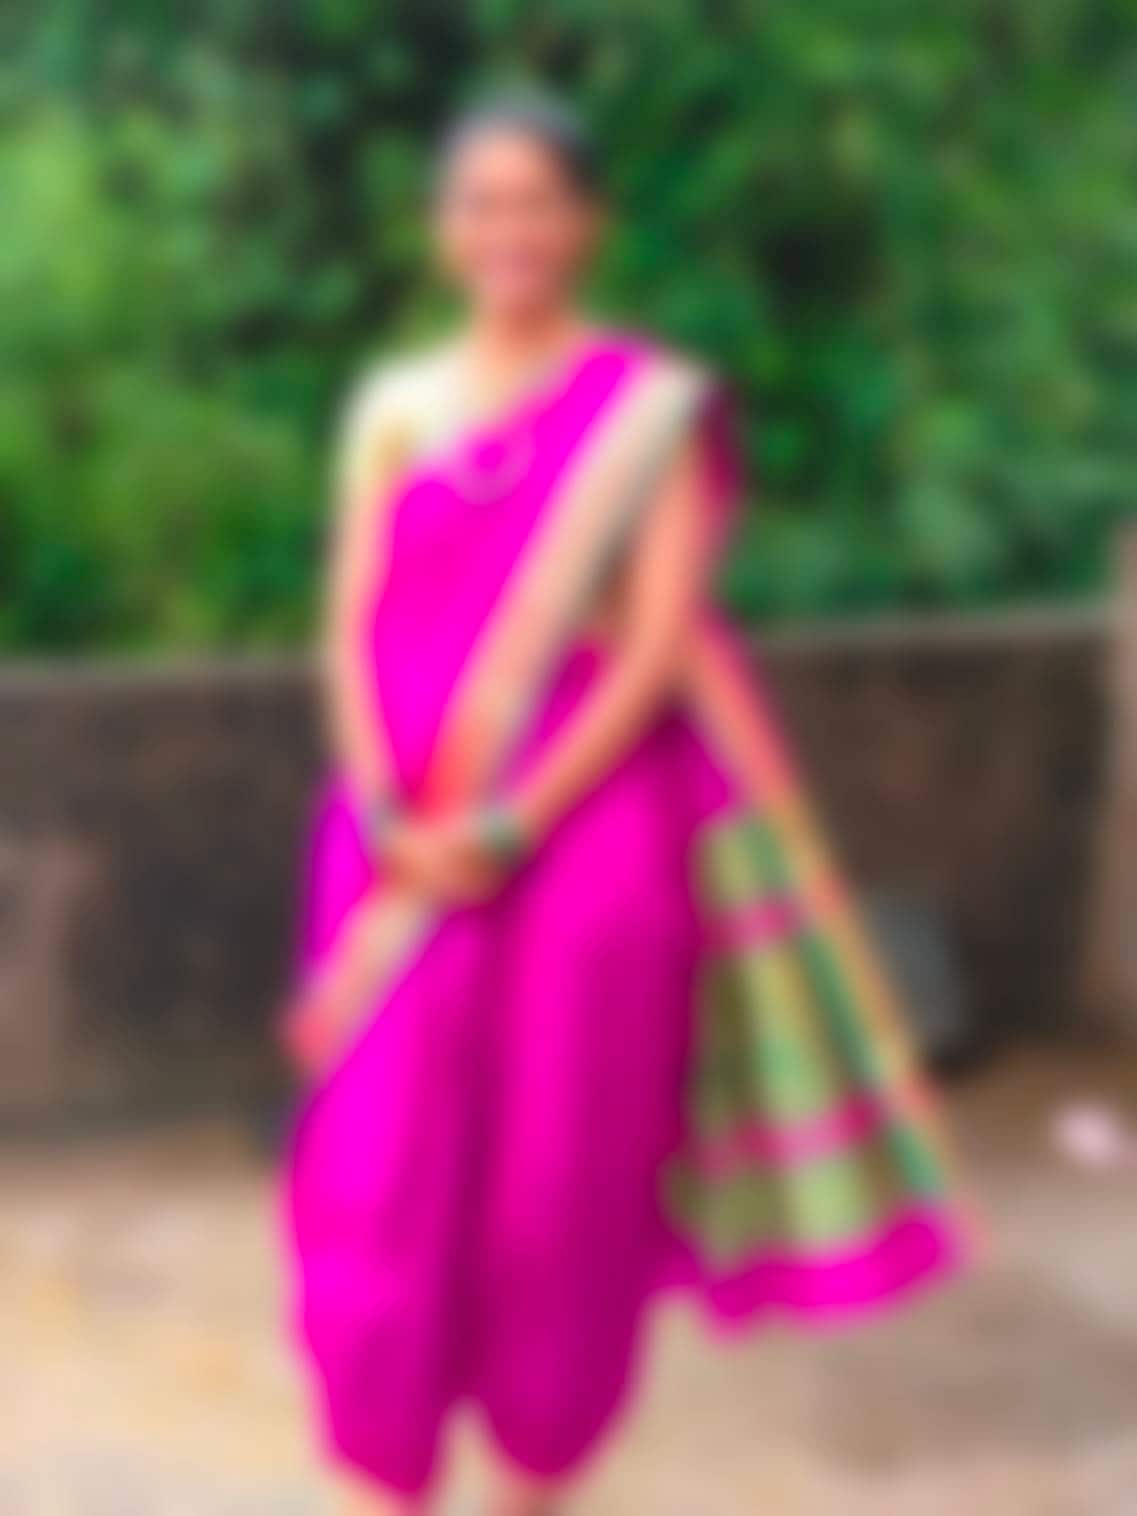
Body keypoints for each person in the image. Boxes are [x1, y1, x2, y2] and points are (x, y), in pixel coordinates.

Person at [281, 93, 968, 1516]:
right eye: (482, 203)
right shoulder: (392, 406)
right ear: (442, 228)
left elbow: (656, 647)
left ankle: (530, 1489)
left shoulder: (651, 413)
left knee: (559, 1196)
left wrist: (513, 822)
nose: (511, 231)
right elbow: (347, 622)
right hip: (398, 844)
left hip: (584, 851)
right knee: (376, 1178)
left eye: (539, 203)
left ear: (587, 224)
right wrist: (388, 811)